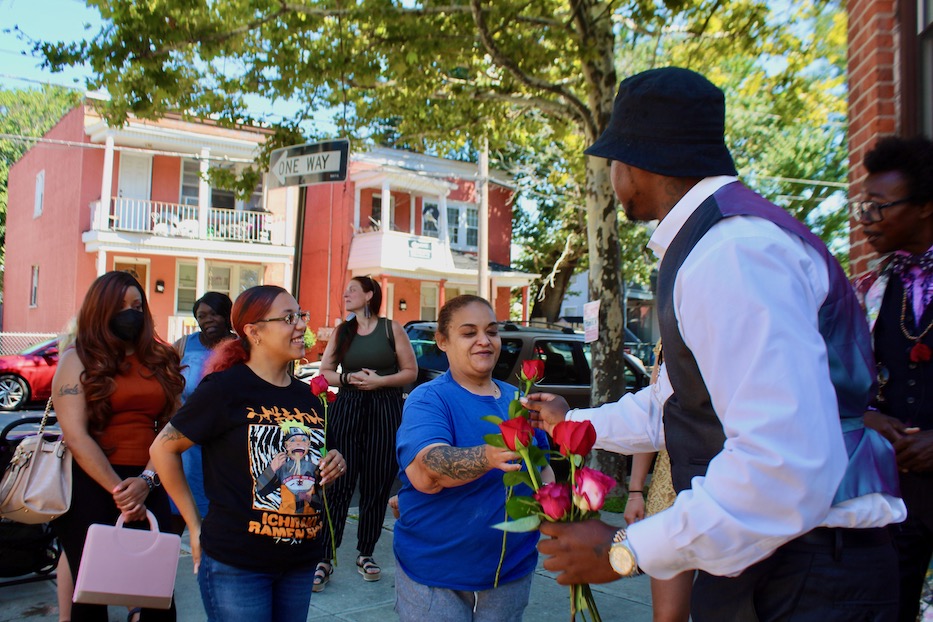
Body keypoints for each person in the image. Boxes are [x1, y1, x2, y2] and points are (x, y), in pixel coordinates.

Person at [522, 67, 906, 621]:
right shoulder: (718, 242)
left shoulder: (733, 251)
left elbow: (782, 462)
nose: (612, 178)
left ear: (635, 164)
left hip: (809, 568)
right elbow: (683, 405)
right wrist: (573, 426)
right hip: (780, 559)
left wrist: (627, 551)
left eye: (610, 164)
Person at [149, 285, 346, 622]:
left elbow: (316, 465)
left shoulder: (309, 397)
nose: (301, 325)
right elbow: (163, 449)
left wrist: (334, 461)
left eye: (301, 316)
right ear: (253, 332)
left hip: (300, 561)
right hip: (237, 564)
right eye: (288, 318)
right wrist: (195, 526)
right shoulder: (225, 389)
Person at [394, 295, 553, 621]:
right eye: (469, 333)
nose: (485, 341)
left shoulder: (518, 401)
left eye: (492, 332)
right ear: (442, 341)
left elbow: (543, 469)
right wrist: (488, 456)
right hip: (437, 575)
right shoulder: (429, 399)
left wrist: (560, 509)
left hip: (511, 572)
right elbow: (428, 472)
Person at [51, 271, 184, 622]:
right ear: (101, 309)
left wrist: (147, 481)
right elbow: (76, 436)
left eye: (137, 305)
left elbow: (174, 428)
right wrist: (120, 490)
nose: (132, 312)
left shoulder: (158, 357)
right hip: (91, 486)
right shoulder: (76, 359)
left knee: (157, 596)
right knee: (91, 597)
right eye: (122, 306)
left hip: (149, 483)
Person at [853, 135, 933, 622]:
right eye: (864, 206)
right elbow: (832, 385)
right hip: (891, 498)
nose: (866, 219)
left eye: (879, 207)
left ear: (924, 207)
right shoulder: (866, 292)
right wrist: (864, 415)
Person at [314, 276, 417, 590]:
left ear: (370, 295)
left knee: (378, 480)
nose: (346, 294)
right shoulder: (343, 332)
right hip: (348, 406)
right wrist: (347, 379)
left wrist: (380, 382)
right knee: (338, 481)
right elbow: (325, 372)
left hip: (385, 407)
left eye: (353, 290)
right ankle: (324, 557)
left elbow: (411, 371)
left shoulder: (391, 329)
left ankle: (366, 553)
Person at [622, 346, 692, 622]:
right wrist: (635, 490)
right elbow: (652, 417)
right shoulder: (668, 339)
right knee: (668, 615)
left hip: (725, 478)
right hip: (668, 486)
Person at [167, 292, 234, 534]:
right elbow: (166, 381)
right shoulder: (185, 345)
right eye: (201, 315)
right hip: (186, 443)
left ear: (227, 316)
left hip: (221, 444)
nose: (208, 320)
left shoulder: (239, 348)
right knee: (175, 514)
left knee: (215, 519)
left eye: (214, 314)